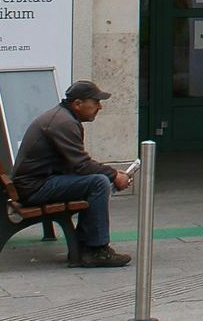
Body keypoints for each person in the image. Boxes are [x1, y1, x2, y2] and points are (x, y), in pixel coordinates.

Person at [10, 80, 133, 268]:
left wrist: (112, 173)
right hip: (34, 188)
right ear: (77, 103)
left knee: (96, 180)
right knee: (98, 183)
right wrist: (114, 175)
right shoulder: (64, 123)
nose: (100, 107)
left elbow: (76, 164)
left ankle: (85, 244)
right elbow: (81, 165)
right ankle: (95, 249)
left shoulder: (62, 117)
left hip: (33, 183)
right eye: (96, 102)